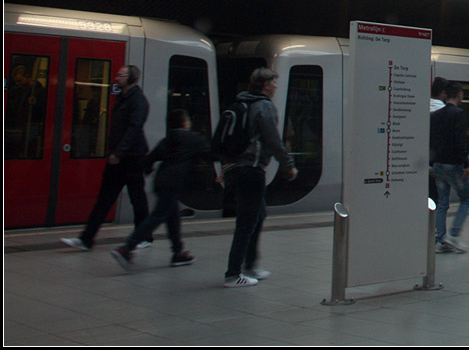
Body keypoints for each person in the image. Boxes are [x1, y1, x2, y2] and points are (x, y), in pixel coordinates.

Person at [221, 68, 298, 288]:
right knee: (246, 222)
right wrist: (288, 165)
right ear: (265, 85)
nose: (275, 87)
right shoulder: (264, 107)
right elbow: (273, 140)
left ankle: (250, 264)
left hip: (237, 169)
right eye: (274, 82)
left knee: (258, 214)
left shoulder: (241, 103)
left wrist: (225, 167)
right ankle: (233, 273)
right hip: (251, 170)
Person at [112, 109, 215, 269]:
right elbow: (211, 155)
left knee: (172, 218)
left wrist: (148, 171)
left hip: (161, 181)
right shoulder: (194, 138)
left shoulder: (168, 139)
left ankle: (178, 253)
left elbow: (148, 160)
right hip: (174, 182)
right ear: (185, 123)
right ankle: (126, 249)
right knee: (157, 216)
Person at [62, 65, 150, 251]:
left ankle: (144, 236)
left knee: (137, 198)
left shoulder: (138, 101)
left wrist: (118, 153)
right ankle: (86, 239)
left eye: (121, 74)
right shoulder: (122, 98)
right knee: (105, 199)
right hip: (119, 157)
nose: (117, 77)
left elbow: (133, 129)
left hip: (131, 158)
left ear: (131, 78)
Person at [430, 81, 469, 252]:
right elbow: (460, 141)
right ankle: (454, 236)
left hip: (438, 165)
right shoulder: (459, 114)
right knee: (466, 198)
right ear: (460, 95)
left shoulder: (436, 115)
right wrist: (466, 164)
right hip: (453, 165)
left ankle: (441, 240)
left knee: (442, 203)